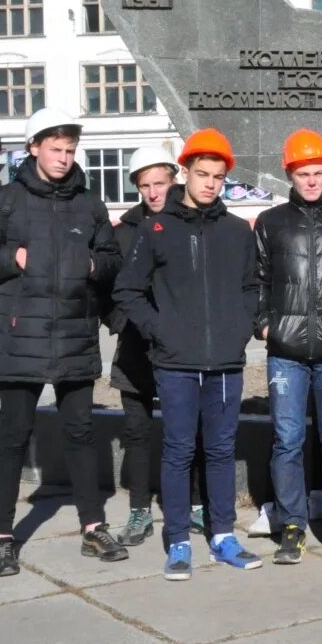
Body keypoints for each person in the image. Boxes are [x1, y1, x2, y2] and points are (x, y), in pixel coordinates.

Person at [0, 108, 127, 577]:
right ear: (33, 148)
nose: (64, 158)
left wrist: (92, 266)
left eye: (70, 150)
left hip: (74, 337)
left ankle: (93, 528)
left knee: (81, 435)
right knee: (12, 438)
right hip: (19, 339)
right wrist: (13, 256)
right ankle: (3, 537)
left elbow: (112, 259)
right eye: (55, 149)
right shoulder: (5, 201)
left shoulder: (89, 204)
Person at [114, 128, 262, 580]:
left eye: (218, 176)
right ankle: (178, 540)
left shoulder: (237, 231)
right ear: (186, 173)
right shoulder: (157, 227)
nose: (211, 183)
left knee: (219, 452)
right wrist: (161, 331)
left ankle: (222, 536)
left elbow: (251, 287)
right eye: (203, 174)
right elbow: (127, 290)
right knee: (178, 451)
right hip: (175, 364)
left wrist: (239, 331)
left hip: (224, 364)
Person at [255, 130, 322, 565]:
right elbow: (258, 280)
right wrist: (264, 325)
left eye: (318, 172)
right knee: (287, 440)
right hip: (286, 350)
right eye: (304, 173)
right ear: (290, 174)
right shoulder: (271, 222)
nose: (312, 180)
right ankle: (293, 526)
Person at [108, 146, 182, 547]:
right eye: (145, 185)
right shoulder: (124, 231)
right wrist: (121, 321)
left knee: (185, 429)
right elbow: (107, 288)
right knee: (137, 431)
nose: (154, 192)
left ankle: (191, 505)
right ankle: (139, 510)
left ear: (174, 180)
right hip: (136, 347)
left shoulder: (189, 223)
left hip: (181, 348)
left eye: (160, 183)